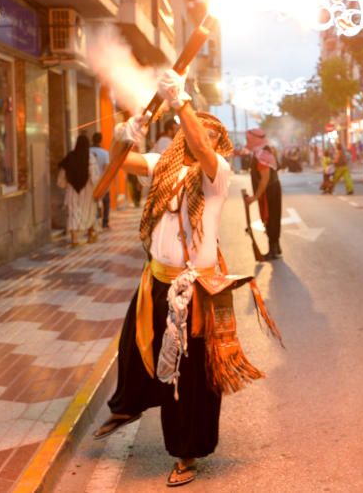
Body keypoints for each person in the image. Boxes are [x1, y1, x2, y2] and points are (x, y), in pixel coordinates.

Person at [93, 70, 279, 487]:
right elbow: (120, 163)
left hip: (195, 290)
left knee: (189, 379)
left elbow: (198, 144)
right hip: (156, 282)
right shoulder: (165, 167)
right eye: (198, 134)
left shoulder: (218, 175)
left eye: (209, 135)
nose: (201, 140)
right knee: (138, 351)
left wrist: (180, 104)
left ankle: (187, 452)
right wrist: (126, 137)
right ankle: (129, 406)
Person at [57, 134, 101, 246]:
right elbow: (94, 176)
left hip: (72, 191)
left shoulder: (70, 156)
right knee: (89, 212)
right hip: (88, 191)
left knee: (73, 214)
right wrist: (98, 188)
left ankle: (74, 239)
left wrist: (62, 184)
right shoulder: (90, 157)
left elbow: (63, 173)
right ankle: (91, 235)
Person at [245, 128, 283, 258]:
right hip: (271, 189)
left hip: (269, 191)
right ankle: (276, 247)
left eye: (249, 139)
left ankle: (273, 250)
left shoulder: (262, 154)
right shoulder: (262, 151)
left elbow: (265, 178)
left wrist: (255, 197)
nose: (247, 141)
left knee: (270, 219)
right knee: (273, 218)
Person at [90, 132, 111, 229]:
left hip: (90, 182)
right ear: (101, 140)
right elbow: (107, 169)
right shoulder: (105, 153)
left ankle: (94, 221)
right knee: (105, 202)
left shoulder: (87, 151)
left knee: (93, 202)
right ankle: (105, 222)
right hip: (102, 181)